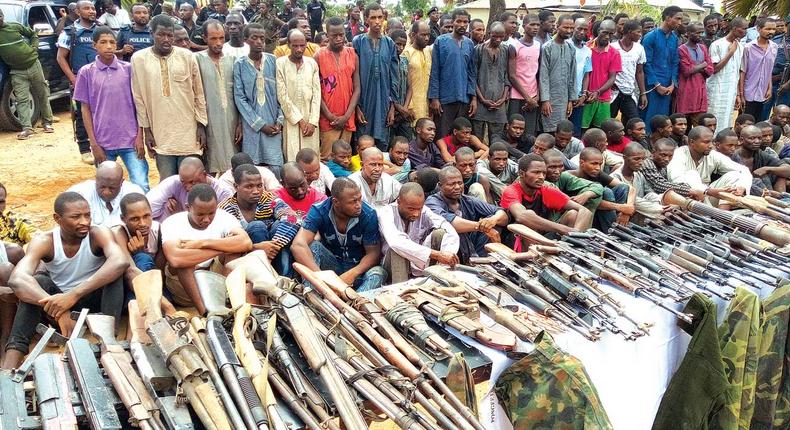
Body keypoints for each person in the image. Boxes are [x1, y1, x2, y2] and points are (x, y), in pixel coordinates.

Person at [1, 192, 127, 369]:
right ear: (57, 218)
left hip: (94, 304)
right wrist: (58, 308)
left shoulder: (98, 233)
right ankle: (9, 367)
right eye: (76, 217)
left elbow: (120, 261)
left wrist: (73, 295)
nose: (84, 221)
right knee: (38, 281)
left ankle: (108, 340)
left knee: (114, 274)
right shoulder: (45, 241)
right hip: (57, 309)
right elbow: (17, 279)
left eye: (87, 215)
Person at [132, 15, 208, 179]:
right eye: (161, 35)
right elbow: (139, 97)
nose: (166, 39)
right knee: (167, 181)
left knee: (191, 179)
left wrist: (201, 125)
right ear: (152, 33)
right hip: (160, 132)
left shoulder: (187, 56)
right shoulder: (139, 59)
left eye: (169, 35)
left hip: (189, 131)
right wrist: (147, 131)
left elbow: (199, 93)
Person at [72, 27, 147, 192]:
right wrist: (93, 143)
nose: (108, 46)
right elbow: (85, 109)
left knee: (141, 185)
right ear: (94, 45)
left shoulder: (128, 69)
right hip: (102, 141)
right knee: (106, 189)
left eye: (112, 42)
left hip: (130, 139)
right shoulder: (86, 72)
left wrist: (139, 136)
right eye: (103, 42)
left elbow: (139, 105)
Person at [160, 184, 251, 314]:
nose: (206, 219)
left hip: (214, 278)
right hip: (183, 288)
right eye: (200, 214)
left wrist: (201, 243)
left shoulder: (224, 217)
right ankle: (206, 313)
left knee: (235, 251)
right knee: (185, 263)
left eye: (211, 213)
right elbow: (176, 259)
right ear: (188, 207)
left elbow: (245, 242)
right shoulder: (172, 222)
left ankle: (225, 300)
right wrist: (224, 246)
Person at [291, 178, 386, 292]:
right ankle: (314, 296)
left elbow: (373, 254)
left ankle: (356, 302)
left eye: (359, 199)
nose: (358, 205)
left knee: (378, 273)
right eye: (353, 201)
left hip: (358, 269)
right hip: (331, 266)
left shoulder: (368, 214)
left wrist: (353, 274)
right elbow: (298, 245)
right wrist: (321, 278)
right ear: (336, 202)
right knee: (313, 246)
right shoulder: (320, 210)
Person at [219, 164, 298, 275]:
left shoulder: (269, 199)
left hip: (274, 256)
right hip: (243, 259)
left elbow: (293, 219)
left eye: (259, 185)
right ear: (236, 186)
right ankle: (265, 276)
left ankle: (284, 279)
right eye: (249, 186)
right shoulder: (225, 209)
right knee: (257, 226)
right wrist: (257, 249)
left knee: (280, 226)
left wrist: (273, 246)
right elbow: (223, 247)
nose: (256, 191)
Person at [426, 166, 508, 263]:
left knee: (493, 220)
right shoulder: (432, 202)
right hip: (444, 252)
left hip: (472, 247)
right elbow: (450, 224)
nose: (457, 187)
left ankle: (482, 261)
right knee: (450, 231)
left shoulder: (468, 200)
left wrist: (492, 221)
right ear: (440, 185)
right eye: (451, 184)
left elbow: (503, 215)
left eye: (460, 183)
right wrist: (482, 227)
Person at [377, 183, 459, 280]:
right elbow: (396, 242)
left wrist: (447, 254)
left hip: (418, 263)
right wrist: (437, 255)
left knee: (440, 233)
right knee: (397, 250)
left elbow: (448, 229)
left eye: (419, 209)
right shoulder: (385, 212)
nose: (416, 214)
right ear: (399, 202)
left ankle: (438, 278)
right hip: (392, 265)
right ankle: (401, 290)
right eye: (411, 209)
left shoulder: (424, 211)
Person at [500, 153, 592, 236]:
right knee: (529, 218)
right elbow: (522, 216)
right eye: (536, 172)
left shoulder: (545, 190)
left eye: (543, 173)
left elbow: (584, 211)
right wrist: (564, 229)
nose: (541, 177)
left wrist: (576, 233)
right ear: (522, 174)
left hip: (544, 237)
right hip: (515, 239)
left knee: (573, 214)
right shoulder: (511, 191)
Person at [234, 23, 285, 171]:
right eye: (254, 38)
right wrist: (260, 125)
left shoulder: (273, 61)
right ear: (245, 40)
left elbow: (281, 94)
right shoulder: (240, 64)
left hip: (274, 125)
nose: (258, 42)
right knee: (253, 167)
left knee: (276, 167)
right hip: (252, 126)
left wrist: (279, 121)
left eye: (262, 38)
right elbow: (240, 98)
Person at [0, 9, 54, 140]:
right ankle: (27, 128)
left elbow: (33, 34)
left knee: (42, 94)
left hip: (33, 64)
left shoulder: (14, 26)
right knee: (21, 99)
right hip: (16, 71)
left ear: (2, 16)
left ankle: (47, 122)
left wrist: (34, 48)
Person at [667, 126, 752, 207]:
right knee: (692, 174)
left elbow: (743, 170)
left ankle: (723, 214)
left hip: (707, 198)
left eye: (711, 141)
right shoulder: (679, 154)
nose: (711, 146)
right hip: (683, 199)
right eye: (706, 142)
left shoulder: (712, 155)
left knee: (735, 175)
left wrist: (742, 187)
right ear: (692, 142)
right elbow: (677, 180)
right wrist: (708, 191)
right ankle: (712, 215)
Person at [194, 20, 239, 175]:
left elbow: (240, 93)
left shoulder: (233, 59)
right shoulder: (196, 60)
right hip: (208, 119)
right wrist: (200, 126)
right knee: (210, 163)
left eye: (221, 38)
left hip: (233, 119)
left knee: (235, 163)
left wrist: (240, 122)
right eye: (213, 38)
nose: (219, 43)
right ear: (204, 38)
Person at [56, 0, 98, 164]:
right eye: (87, 8)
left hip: (100, 79)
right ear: (78, 12)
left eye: (93, 8)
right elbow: (60, 58)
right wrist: (74, 79)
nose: (91, 11)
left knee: (101, 113)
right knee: (82, 114)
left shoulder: (100, 30)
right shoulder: (70, 32)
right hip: (80, 80)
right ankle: (84, 149)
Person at [353, 4, 398, 150]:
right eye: (373, 17)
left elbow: (394, 77)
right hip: (364, 102)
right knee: (363, 142)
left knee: (382, 142)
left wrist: (392, 107)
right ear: (366, 19)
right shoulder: (358, 42)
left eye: (380, 17)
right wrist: (356, 107)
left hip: (384, 103)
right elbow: (353, 76)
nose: (377, 21)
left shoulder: (389, 43)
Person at [315, 17, 360, 160]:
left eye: (341, 35)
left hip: (348, 118)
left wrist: (346, 116)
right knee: (327, 159)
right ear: (327, 35)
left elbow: (357, 88)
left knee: (344, 159)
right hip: (328, 120)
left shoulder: (352, 54)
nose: (339, 38)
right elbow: (316, 91)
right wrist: (329, 116)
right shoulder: (318, 56)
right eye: (334, 36)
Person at [429, 8, 477, 138]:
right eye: (459, 21)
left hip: (464, 98)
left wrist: (473, 98)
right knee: (442, 135)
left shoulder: (469, 44)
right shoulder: (441, 41)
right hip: (445, 98)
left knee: (460, 136)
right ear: (453, 22)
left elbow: (472, 73)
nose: (462, 25)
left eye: (465, 22)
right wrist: (434, 97)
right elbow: (435, 71)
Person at [276, 29, 321, 161]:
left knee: (311, 158)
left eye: (302, 45)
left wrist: (312, 122)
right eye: (295, 46)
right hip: (291, 120)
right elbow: (282, 95)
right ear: (288, 45)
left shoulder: (312, 63)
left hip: (310, 120)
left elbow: (317, 94)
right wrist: (300, 120)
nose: (299, 49)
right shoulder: (280, 63)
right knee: (292, 158)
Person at [147, 157, 234, 222]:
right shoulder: (174, 182)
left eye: (192, 182)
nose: (188, 187)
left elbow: (226, 222)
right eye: (183, 182)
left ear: (204, 174)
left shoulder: (223, 192)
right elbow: (147, 208)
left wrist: (181, 215)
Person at [569, 147, 635, 230]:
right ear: (582, 163)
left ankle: (619, 225)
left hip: (603, 214)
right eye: (594, 164)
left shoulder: (597, 173)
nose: (598, 168)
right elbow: (591, 203)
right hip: (585, 216)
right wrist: (620, 207)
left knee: (623, 188)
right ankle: (611, 231)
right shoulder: (571, 177)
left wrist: (626, 211)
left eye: (600, 164)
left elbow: (630, 188)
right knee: (606, 192)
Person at [641, 6, 682, 132]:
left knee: (663, 119)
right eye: (678, 19)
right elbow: (646, 63)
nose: (680, 23)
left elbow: (675, 62)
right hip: (651, 85)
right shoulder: (650, 37)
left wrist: (672, 83)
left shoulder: (674, 38)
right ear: (668, 18)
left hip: (667, 86)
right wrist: (657, 85)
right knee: (649, 118)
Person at [68, 161, 145, 227]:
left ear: (122, 182)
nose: (106, 192)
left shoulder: (134, 194)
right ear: (96, 179)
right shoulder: (79, 194)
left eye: (112, 188)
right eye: (102, 187)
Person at [707, 17, 747, 133]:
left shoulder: (740, 46)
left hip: (730, 92)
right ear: (734, 28)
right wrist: (730, 53)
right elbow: (714, 69)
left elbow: (738, 73)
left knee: (727, 120)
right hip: (716, 91)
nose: (745, 32)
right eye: (743, 29)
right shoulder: (717, 44)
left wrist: (738, 95)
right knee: (714, 118)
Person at [111, 193, 163, 283]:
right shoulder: (120, 233)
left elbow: (159, 270)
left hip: (154, 280)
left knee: (143, 258)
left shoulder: (159, 230)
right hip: (128, 282)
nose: (143, 223)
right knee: (142, 258)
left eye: (146, 216)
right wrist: (138, 255)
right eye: (135, 219)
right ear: (123, 219)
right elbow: (130, 270)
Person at [472, 22, 510, 143]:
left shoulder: (506, 50)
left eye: (501, 37)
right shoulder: (478, 49)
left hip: (499, 103)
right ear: (489, 34)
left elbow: (507, 76)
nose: (498, 40)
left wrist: (503, 99)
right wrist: (482, 99)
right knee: (477, 137)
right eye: (495, 36)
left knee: (497, 139)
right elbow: (473, 76)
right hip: (480, 101)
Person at [539, 14, 577, 133]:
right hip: (550, 98)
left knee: (562, 130)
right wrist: (545, 100)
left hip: (564, 99)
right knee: (548, 131)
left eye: (571, 28)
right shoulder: (547, 47)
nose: (569, 31)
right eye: (566, 27)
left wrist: (571, 100)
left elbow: (573, 75)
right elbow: (543, 75)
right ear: (557, 26)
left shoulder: (571, 48)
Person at [583, 19, 621, 131]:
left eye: (611, 34)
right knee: (582, 130)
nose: (608, 37)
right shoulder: (586, 48)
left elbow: (612, 77)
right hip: (585, 97)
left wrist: (598, 92)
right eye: (605, 32)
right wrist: (585, 92)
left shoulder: (614, 53)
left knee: (600, 130)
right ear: (599, 30)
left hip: (603, 98)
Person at [543, 149, 604, 217]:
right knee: (573, 214)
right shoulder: (538, 181)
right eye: (552, 167)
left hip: (559, 220)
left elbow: (598, 186)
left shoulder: (562, 176)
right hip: (542, 221)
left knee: (592, 194)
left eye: (561, 166)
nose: (557, 171)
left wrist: (586, 195)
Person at [739, 18, 778, 122]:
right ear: (758, 29)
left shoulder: (774, 47)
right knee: (745, 122)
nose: (771, 32)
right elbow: (743, 71)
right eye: (768, 29)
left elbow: (769, 70)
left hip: (763, 93)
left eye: (773, 29)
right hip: (748, 92)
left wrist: (769, 88)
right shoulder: (748, 47)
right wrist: (741, 94)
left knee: (759, 122)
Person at [508, 14, 541, 136]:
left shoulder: (538, 46)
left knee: (529, 132)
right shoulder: (514, 46)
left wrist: (536, 96)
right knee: (514, 131)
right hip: (517, 95)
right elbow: (512, 75)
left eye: (537, 25)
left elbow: (538, 73)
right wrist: (527, 98)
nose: (535, 27)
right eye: (532, 24)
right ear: (523, 26)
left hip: (533, 97)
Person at [611, 143, 664, 219]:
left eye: (643, 159)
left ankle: (660, 210)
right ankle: (662, 210)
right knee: (635, 200)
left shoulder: (639, 174)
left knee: (654, 196)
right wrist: (658, 208)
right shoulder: (615, 177)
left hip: (644, 211)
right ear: (625, 158)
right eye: (636, 159)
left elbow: (649, 192)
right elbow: (630, 201)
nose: (641, 163)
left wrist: (656, 202)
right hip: (625, 214)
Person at [611, 19, 647, 127]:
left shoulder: (639, 48)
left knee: (634, 123)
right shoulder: (613, 47)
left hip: (629, 92)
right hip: (613, 92)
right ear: (630, 32)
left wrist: (643, 93)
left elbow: (639, 72)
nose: (640, 35)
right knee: (609, 122)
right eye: (638, 32)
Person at [676, 21, 714, 120]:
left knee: (699, 124)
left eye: (702, 32)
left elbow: (710, 70)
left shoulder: (703, 48)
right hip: (686, 92)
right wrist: (703, 65)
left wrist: (697, 67)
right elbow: (687, 70)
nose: (700, 35)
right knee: (683, 124)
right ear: (688, 33)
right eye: (697, 33)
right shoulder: (682, 49)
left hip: (700, 93)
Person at [736, 125, 789, 193]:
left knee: (780, 174)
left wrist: (766, 169)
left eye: (759, 138)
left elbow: (787, 170)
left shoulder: (760, 154)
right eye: (752, 138)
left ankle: (781, 200)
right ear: (741, 140)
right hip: (737, 189)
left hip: (759, 190)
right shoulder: (733, 155)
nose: (757, 141)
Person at [403, 20, 432, 128]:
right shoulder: (406, 53)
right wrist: (409, 107)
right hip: (412, 107)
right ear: (413, 35)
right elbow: (404, 83)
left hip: (427, 106)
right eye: (423, 35)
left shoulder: (428, 52)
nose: (426, 38)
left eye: (428, 35)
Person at [569, 17, 592, 136]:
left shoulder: (588, 51)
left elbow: (586, 74)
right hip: (565, 97)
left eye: (585, 29)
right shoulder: (566, 45)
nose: (582, 32)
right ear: (573, 28)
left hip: (578, 98)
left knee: (575, 132)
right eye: (579, 29)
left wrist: (583, 94)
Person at [390, 29, 413, 140]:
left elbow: (410, 88)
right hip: (391, 109)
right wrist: (399, 108)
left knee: (406, 141)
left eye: (403, 45)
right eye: (398, 44)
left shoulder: (404, 60)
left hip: (403, 111)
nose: (401, 48)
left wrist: (404, 108)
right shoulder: (386, 60)